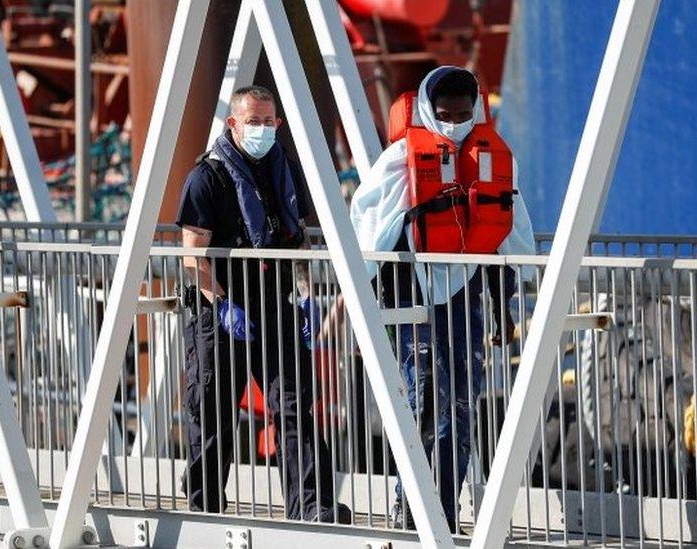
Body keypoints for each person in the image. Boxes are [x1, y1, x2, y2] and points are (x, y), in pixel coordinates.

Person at [350, 66, 535, 532]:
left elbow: (509, 238)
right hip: (414, 299)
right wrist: (367, 293)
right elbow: (369, 225)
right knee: (423, 401)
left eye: (463, 112)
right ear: (430, 111)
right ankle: (409, 503)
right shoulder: (398, 161)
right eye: (446, 113)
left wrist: (505, 304)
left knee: (460, 408)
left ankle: (442, 513)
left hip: (465, 299)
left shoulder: (490, 160)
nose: (454, 121)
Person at [176, 85, 347, 523]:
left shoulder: (284, 169)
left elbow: (298, 239)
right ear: (232, 124)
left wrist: (307, 296)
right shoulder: (206, 177)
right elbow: (193, 254)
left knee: (294, 407)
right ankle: (205, 505)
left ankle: (313, 508)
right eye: (253, 122)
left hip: (275, 305)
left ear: (279, 125)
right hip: (221, 313)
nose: (262, 129)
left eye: (268, 122)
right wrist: (223, 305)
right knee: (212, 411)